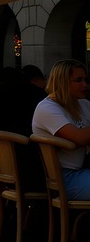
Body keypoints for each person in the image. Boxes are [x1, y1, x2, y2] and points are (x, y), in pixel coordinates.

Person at [31, 59, 90, 199]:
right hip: (63, 176)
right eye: (78, 80)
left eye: (86, 80)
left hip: (84, 169)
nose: (85, 85)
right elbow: (80, 138)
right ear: (62, 81)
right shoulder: (47, 108)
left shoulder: (84, 104)